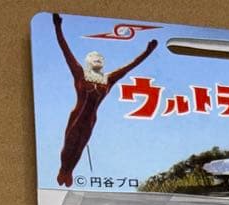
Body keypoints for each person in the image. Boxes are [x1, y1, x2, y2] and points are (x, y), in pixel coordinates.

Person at [52, 13, 158, 187]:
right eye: (94, 59)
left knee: (80, 145)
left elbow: (130, 66)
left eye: (100, 59)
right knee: (70, 142)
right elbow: (66, 51)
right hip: (77, 114)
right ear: (88, 62)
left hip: (91, 118)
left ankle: (69, 171)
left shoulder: (108, 79)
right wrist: (58, 27)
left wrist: (147, 52)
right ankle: (63, 169)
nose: (97, 61)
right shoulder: (80, 74)